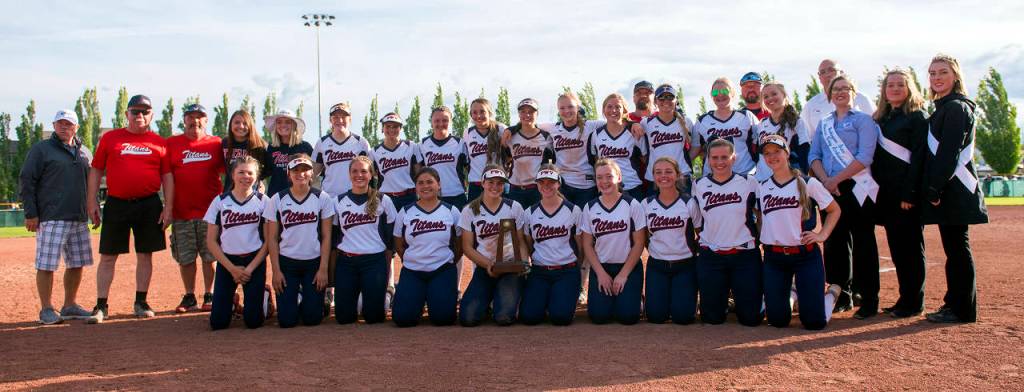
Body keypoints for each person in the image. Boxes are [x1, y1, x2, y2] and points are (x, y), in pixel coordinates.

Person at [87, 94, 172, 323]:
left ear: (151, 115)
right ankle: (101, 305)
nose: (140, 116)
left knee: (145, 254)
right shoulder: (111, 138)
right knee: (108, 256)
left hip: (149, 203)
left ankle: (141, 301)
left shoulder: (159, 142)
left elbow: (167, 176)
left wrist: (168, 206)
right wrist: (92, 200)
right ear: (127, 114)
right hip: (117, 202)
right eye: (135, 111)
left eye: (145, 112)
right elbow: (96, 169)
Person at [921, 54, 989, 323]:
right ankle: (956, 303)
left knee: (958, 249)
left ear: (955, 76)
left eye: (943, 72)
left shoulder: (957, 108)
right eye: (933, 73)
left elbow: (949, 153)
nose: (937, 78)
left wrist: (934, 189)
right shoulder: (944, 107)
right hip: (950, 189)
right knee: (955, 248)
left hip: (954, 189)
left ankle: (962, 308)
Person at [808, 75, 881, 318]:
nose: (840, 92)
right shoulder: (824, 123)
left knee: (863, 243)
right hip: (830, 190)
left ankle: (869, 298)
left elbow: (865, 156)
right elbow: (813, 156)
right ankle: (841, 295)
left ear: (853, 91)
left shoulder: (863, 120)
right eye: (835, 89)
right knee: (835, 244)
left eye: (845, 88)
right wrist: (825, 181)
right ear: (829, 95)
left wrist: (835, 179)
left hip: (856, 188)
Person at [758, 134, 842, 330]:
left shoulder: (807, 183)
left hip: (805, 255)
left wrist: (822, 235)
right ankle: (793, 294)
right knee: (777, 321)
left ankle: (830, 296)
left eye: (777, 151)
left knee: (814, 322)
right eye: (767, 153)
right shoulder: (761, 187)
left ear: (787, 153)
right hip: (774, 258)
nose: (772, 157)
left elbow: (834, 209)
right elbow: (761, 218)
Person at [19, 109, 96, 324]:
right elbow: (27, 180)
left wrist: (93, 209)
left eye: (68, 123)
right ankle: (46, 309)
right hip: (51, 216)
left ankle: (69, 305)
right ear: (53, 126)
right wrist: (31, 213)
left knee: (77, 263)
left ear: (76, 127)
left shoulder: (84, 152)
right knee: (46, 264)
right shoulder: (41, 150)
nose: (64, 127)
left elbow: (91, 184)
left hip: (79, 217)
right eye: (60, 123)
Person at [871, 69, 929, 318]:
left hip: (906, 195)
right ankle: (905, 298)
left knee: (912, 250)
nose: (894, 89)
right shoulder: (882, 118)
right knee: (897, 249)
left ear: (909, 88)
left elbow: (919, 159)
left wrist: (911, 193)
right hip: (886, 195)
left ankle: (914, 302)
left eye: (900, 85)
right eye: (890, 85)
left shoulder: (917, 117)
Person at [692, 139, 763, 326]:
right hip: (712, 256)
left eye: (725, 157)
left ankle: (745, 297)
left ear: (734, 158)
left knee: (751, 319)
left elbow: (761, 213)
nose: (719, 162)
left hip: (744, 254)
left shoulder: (749, 182)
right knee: (712, 318)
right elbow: (697, 220)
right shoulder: (698, 185)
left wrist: (760, 236)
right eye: (714, 157)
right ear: (707, 159)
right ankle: (725, 297)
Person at [166, 103, 226, 313]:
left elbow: (229, 172)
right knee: (186, 257)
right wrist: (168, 208)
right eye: (190, 117)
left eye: (200, 117)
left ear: (206, 120)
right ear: (185, 121)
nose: (195, 121)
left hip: (209, 213)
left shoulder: (216, 144)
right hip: (182, 212)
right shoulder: (172, 143)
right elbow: (167, 177)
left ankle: (209, 294)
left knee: (210, 256)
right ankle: (189, 295)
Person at [263, 154, 334, 328]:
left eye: (305, 170)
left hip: (313, 263)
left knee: (312, 319)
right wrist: (276, 272)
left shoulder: (322, 198)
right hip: (288, 263)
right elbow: (272, 239)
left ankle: (308, 297)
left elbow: (326, 237)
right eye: (295, 170)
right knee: (287, 321)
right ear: (289, 174)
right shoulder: (277, 199)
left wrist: (323, 269)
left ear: (312, 174)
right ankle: (298, 294)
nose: (300, 174)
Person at [458, 165, 529, 326]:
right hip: (485, 267)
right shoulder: (470, 210)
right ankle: (490, 299)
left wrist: (524, 265)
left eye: (499, 183)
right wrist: (488, 264)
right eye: (491, 182)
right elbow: (467, 247)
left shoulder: (513, 207)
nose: (495, 187)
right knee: (468, 318)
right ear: (482, 183)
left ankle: (507, 297)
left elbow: (520, 241)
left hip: (510, 267)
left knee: (504, 317)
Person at [392, 167, 463, 327]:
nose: (425, 186)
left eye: (430, 182)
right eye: (420, 183)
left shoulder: (452, 211)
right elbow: (398, 242)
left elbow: (460, 245)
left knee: (443, 319)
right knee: (403, 319)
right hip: (413, 271)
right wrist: (411, 260)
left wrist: (448, 261)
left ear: (439, 185)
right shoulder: (405, 212)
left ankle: (431, 296)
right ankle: (415, 295)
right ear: (415, 187)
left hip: (442, 269)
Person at [204, 156, 268, 329]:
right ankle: (231, 303)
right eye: (241, 172)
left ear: (256, 176)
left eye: (250, 173)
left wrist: (249, 269)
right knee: (218, 323)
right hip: (227, 261)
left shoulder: (263, 201)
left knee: (254, 322)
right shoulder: (220, 201)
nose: (245, 176)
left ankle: (265, 294)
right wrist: (232, 268)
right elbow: (211, 241)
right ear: (232, 175)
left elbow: (269, 242)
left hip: (254, 260)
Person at [579, 158, 646, 324]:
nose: (604, 181)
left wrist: (623, 275)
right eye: (599, 177)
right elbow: (587, 244)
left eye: (609, 176)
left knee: (628, 318)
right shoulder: (590, 207)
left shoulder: (632, 205)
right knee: (599, 317)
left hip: (627, 267)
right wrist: (600, 273)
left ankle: (636, 298)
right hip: (603, 267)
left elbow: (639, 243)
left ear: (619, 177)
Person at [332, 156, 397, 324]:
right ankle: (360, 293)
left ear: (371, 175)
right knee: (344, 318)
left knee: (374, 318)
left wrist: (386, 268)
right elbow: (334, 237)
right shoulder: (338, 201)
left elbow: (390, 240)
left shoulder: (383, 200)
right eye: (354, 171)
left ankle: (386, 293)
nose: (359, 175)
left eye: (363, 171)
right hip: (347, 262)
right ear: (349, 174)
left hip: (374, 261)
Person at [520, 165, 583, 326]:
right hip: (540, 271)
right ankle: (548, 298)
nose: (546, 186)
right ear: (537, 185)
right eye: (542, 182)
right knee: (529, 317)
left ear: (558, 184)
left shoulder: (573, 210)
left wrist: (576, 269)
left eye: (551, 182)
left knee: (560, 318)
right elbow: (528, 244)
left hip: (566, 270)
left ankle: (560, 298)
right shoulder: (529, 213)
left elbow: (580, 245)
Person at [642, 157, 701, 324]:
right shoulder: (646, 204)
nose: (663, 176)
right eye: (658, 172)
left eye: (668, 172)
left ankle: (687, 300)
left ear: (677, 175)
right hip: (657, 266)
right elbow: (644, 237)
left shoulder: (688, 202)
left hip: (685, 265)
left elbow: (700, 233)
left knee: (683, 318)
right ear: (653, 176)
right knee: (655, 317)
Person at [373, 112, 419, 295]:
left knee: (411, 239)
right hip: (387, 199)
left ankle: (412, 279)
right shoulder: (374, 151)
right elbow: (373, 177)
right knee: (387, 243)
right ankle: (390, 285)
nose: (392, 129)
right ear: (383, 128)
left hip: (408, 197)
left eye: (396, 126)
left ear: (401, 128)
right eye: (388, 126)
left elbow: (418, 172)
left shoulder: (410, 146)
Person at [692, 77, 759, 177]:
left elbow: (761, 144)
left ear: (732, 93)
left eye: (724, 91)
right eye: (715, 93)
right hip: (712, 178)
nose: (720, 95)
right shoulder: (702, 121)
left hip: (744, 175)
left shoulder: (747, 116)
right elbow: (694, 150)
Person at [636, 84, 694, 197]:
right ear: (655, 102)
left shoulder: (686, 122)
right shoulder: (646, 123)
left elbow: (696, 146)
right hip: (655, 178)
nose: (665, 100)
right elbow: (642, 153)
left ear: (676, 100)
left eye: (670, 97)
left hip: (682, 176)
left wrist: (682, 162)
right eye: (661, 97)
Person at [587, 94, 647, 200]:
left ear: (624, 110)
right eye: (609, 106)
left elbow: (646, 159)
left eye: (618, 107)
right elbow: (595, 162)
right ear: (603, 110)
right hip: (607, 188)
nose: (613, 110)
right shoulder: (596, 135)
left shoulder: (634, 132)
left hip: (632, 187)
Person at [801, 59, 876, 139]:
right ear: (819, 78)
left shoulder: (862, 99)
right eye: (823, 72)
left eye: (831, 70)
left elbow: (874, 129)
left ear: (841, 73)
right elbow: (808, 138)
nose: (827, 75)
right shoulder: (810, 106)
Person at [755, 83, 812, 181]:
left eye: (774, 94)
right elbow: (758, 154)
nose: (770, 98)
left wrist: (802, 178)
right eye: (766, 96)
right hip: (762, 180)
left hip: (788, 180)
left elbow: (804, 153)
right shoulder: (761, 124)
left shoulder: (797, 122)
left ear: (784, 95)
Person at [314, 102, 372, 196]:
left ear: (350, 119)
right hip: (330, 197)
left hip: (355, 196)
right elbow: (313, 173)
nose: (340, 120)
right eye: (335, 117)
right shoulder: (322, 143)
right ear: (330, 120)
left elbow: (371, 172)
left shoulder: (361, 142)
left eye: (344, 117)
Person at [505, 98, 555, 208]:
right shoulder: (510, 136)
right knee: (514, 223)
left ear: (537, 114)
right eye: (523, 111)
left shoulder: (546, 137)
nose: (527, 115)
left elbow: (551, 162)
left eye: (531, 112)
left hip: (537, 188)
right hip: (515, 188)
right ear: (518, 114)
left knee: (538, 223)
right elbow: (506, 158)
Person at [418, 106, 468, 211]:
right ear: (431, 122)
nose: (441, 124)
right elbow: (418, 173)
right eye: (437, 120)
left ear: (451, 121)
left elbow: (470, 169)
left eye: (445, 120)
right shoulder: (422, 145)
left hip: (457, 196)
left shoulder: (460, 143)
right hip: (433, 197)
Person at [462, 98, 508, 202]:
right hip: (476, 184)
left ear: (489, 112)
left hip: (497, 183)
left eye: (482, 111)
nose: (478, 116)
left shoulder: (500, 129)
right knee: (475, 217)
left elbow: (511, 154)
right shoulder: (467, 133)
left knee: (501, 216)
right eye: (474, 112)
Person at [264, 109, 314, 196]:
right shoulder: (272, 148)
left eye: (287, 122)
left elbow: (314, 172)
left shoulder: (305, 147)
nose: (283, 125)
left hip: (301, 197)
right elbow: (266, 171)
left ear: (294, 125)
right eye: (279, 122)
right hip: (276, 197)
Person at [222, 110, 269, 190]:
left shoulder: (259, 145)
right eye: (237, 122)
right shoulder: (225, 142)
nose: (241, 126)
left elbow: (269, 168)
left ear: (250, 125)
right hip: (229, 191)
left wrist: (259, 179)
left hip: (252, 191)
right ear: (230, 125)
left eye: (245, 123)